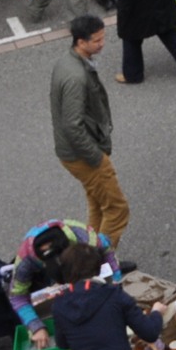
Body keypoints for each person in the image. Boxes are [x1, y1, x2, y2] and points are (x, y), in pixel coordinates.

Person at [51, 14, 128, 245]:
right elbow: (72, 125)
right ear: (80, 42)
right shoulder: (76, 77)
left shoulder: (68, 62)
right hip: (84, 154)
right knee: (117, 210)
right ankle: (99, 264)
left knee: (98, 204)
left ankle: (88, 254)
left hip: (74, 152)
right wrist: (96, 157)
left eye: (102, 38)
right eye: (96, 40)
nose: (102, 44)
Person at [5, 221, 120, 343]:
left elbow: (107, 251)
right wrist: (36, 326)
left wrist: (116, 281)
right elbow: (17, 296)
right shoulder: (26, 261)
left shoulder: (85, 238)